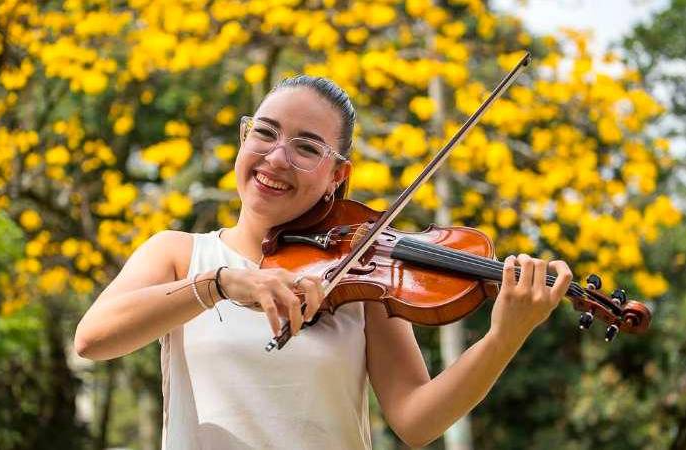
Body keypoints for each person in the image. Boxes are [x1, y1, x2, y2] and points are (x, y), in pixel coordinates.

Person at [74, 75, 572, 449]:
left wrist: (504, 336)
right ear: (244, 140)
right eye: (264, 133)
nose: (276, 157)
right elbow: (93, 339)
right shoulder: (180, 254)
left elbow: (417, 420)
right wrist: (221, 284)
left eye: (307, 147)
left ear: (338, 174)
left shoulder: (358, 278)